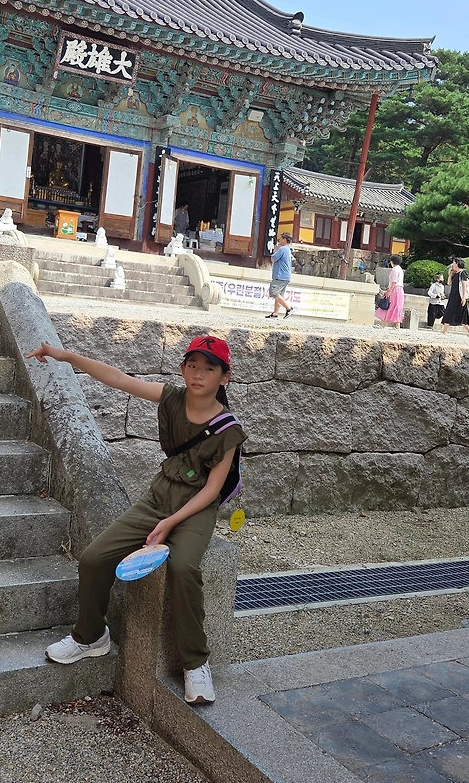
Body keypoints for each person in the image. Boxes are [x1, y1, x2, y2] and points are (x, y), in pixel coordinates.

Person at [29, 334, 246, 705]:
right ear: (182, 369)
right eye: (192, 365)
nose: (198, 374)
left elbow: (212, 490)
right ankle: (90, 637)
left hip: (196, 508)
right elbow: (117, 378)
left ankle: (195, 663)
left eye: (209, 369)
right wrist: (63, 355)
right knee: (94, 558)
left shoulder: (228, 430)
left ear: (224, 377)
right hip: (158, 497)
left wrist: (170, 523)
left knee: (183, 568)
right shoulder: (173, 398)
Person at [443, 257, 469, 335]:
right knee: (450, 311)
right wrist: (450, 274)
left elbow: (464, 285)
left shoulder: (463, 273)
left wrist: (464, 297)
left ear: (457, 263)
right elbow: (449, 283)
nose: (452, 264)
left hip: (459, 296)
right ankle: (445, 330)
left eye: (454, 263)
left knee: (462, 313)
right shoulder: (455, 274)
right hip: (453, 296)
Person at [267, 232, 294, 318]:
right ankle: (275, 313)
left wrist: (275, 250)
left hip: (280, 275)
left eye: (281, 238)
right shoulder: (288, 249)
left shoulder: (282, 249)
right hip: (285, 276)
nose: (279, 240)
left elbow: (273, 259)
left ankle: (289, 308)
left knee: (273, 292)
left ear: (284, 239)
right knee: (279, 295)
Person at [375, 254, 406, 328]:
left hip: (395, 289)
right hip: (400, 289)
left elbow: (394, 282)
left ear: (392, 262)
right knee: (396, 306)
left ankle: (383, 324)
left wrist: (389, 291)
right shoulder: (400, 269)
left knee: (389, 305)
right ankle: (397, 325)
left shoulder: (394, 269)